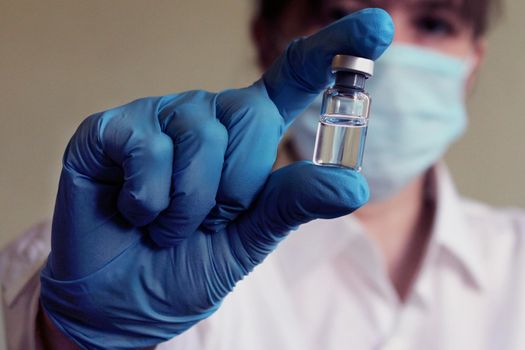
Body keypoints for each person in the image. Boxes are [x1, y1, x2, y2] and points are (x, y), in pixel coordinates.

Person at [2, 0, 524, 349]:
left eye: (434, 24)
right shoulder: (145, 237)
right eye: (334, 12)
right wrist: (78, 340)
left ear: (474, 61)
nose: (386, 58)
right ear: (269, 38)